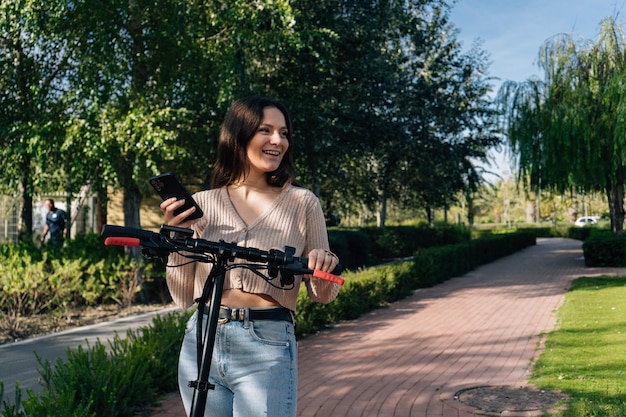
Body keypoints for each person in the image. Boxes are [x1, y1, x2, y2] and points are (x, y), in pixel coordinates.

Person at [160, 96, 341, 417]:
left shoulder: (303, 203)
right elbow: (181, 295)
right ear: (239, 135)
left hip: (267, 341)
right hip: (201, 339)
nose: (278, 141)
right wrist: (178, 240)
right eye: (266, 130)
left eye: (284, 133)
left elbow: (323, 295)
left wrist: (322, 265)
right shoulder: (202, 204)